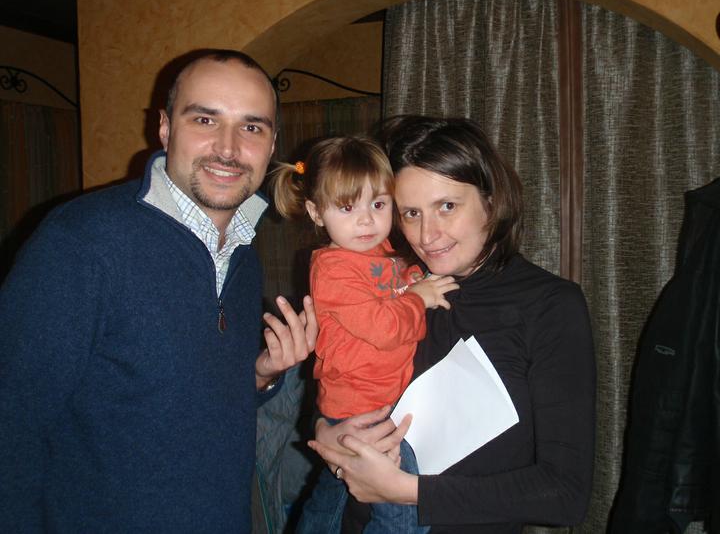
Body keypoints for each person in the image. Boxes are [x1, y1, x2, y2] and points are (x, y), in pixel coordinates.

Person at [0, 49, 317, 533]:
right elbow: (12, 426)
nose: (228, 148)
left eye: (251, 127)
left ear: (272, 144)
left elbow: (181, 406)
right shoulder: (82, 243)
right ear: (166, 129)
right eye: (205, 119)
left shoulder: (243, 253)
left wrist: (258, 376)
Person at [309, 116, 596, 534]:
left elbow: (565, 494)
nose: (428, 234)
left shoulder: (550, 305)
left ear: (491, 201)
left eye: (447, 206)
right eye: (411, 213)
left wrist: (409, 492)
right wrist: (323, 431)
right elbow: (343, 381)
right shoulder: (399, 287)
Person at [271, 136, 458, 533]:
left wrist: (418, 282)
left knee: (334, 495)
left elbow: (399, 282)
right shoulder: (333, 268)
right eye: (347, 207)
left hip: (379, 398)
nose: (366, 220)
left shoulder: (382, 250)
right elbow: (383, 327)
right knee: (402, 509)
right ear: (316, 212)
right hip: (362, 406)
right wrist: (419, 298)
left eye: (378, 204)